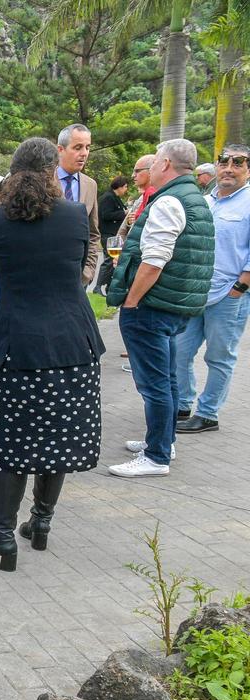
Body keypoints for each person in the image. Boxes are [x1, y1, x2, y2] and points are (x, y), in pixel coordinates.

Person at [0, 138, 104, 570]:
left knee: (10, 444)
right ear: (50, 171)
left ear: (12, 172)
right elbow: (76, 269)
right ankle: (41, 523)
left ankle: (2, 535)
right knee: (55, 438)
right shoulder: (76, 216)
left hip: (13, 345)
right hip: (70, 343)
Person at [107, 139, 215, 477]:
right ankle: (163, 440)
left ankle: (156, 457)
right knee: (167, 379)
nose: (150, 168)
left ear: (166, 163)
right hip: (175, 306)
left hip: (153, 305)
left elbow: (154, 260)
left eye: (154, 162)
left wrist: (132, 300)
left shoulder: (169, 201)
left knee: (154, 383)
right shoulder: (196, 198)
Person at [173, 144, 250, 434]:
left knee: (219, 357)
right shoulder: (206, 202)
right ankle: (181, 404)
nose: (229, 168)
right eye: (223, 162)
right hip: (196, 292)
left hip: (230, 297)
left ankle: (208, 414)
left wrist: (240, 287)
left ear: (248, 170)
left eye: (238, 163)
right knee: (179, 351)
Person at [55, 124, 102, 284]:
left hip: (78, 278)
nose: (84, 153)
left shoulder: (90, 185)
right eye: (77, 147)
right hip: (47, 275)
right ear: (60, 149)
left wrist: (87, 273)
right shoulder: (43, 181)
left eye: (87, 147)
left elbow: (93, 233)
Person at [95, 175, 130, 294]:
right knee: (110, 260)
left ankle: (109, 286)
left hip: (114, 235)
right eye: (125, 187)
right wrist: (124, 213)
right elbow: (106, 215)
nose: (126, 190)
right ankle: (98, 286)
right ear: (119, 186)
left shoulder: (114, 197)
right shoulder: (108, 198)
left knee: (114, 260)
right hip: (109, 234)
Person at [118, 154, 157, 237]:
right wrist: (130, 222)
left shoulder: (155, 195)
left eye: (137, 171)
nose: (133, 175)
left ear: (151, 170)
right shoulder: (143, 196)